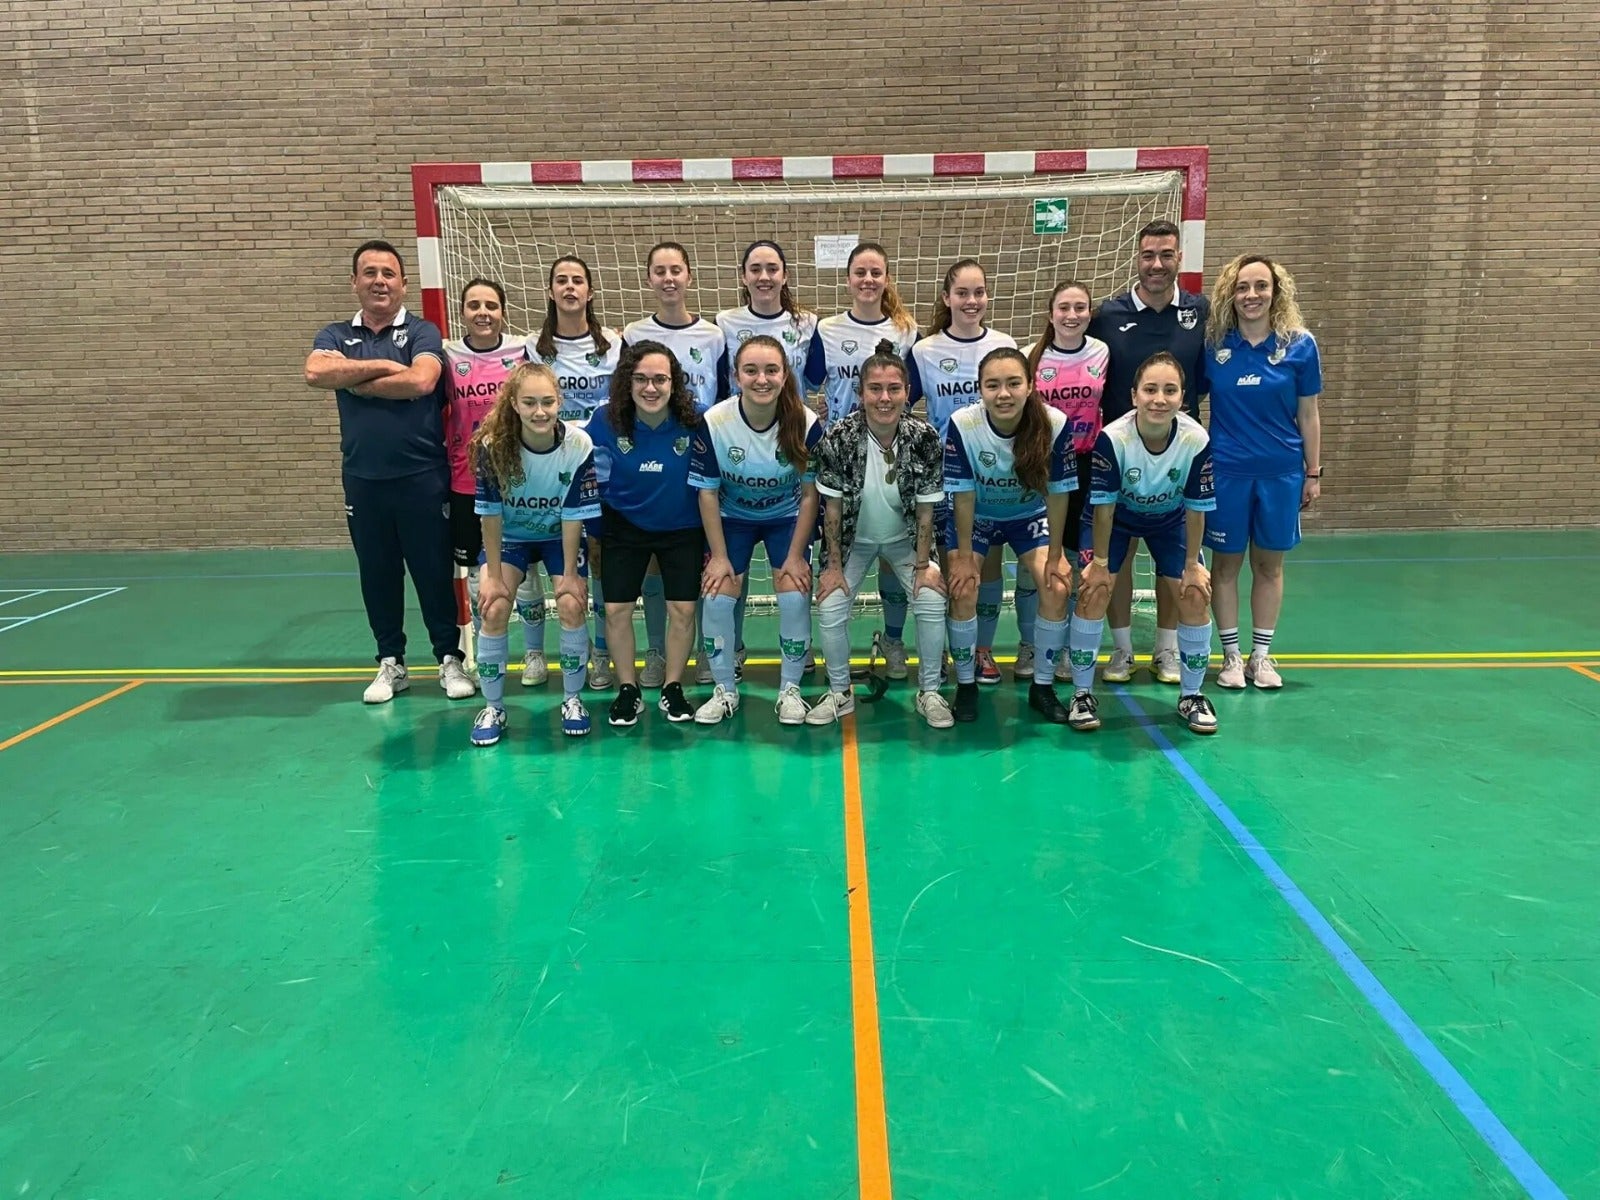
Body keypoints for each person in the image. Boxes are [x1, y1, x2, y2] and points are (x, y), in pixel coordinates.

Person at [304, 239, 475, 705]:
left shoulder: (423, 331)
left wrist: (355, 377)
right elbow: (316, 374)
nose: (379, 281)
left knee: (432, 571)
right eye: (370, 273)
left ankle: (449, 658)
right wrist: (383, 367)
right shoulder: (334, 334)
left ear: (403, 283)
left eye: (388, 273)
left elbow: (422, 380)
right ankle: (391, 662)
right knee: (377, 574)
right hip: (363, 480)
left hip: (423, 477)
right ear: (354, 282)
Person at [1065, 352, 1218, 735]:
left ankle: (1192, 695)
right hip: (1115, 519)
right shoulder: (1113, 438)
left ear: (1182, 397)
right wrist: (1100, 564)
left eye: (1170, 390)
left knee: (1194, 593)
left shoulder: (1196, 439)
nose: (1159, 399)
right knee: (1094, 590)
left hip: (1170, 519)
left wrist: (1192, 566)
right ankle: (1081, 694)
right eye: (1150, 390)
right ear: (1134, 395)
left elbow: (1197, 509)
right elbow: (1104, 509)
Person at [1088, 220, 1210, 685]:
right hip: (1119, 458)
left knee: (1173, 561)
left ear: (1180, 258)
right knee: (1114, 561)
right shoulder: (1108, 314)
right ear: (1136, 259)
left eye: (1166, 254)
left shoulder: (1200, 311)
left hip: (1174, 458)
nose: (1156, 264)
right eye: (1148, 255)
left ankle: (1167, 649)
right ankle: (1122, 650)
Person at [807, 341, 953, 729]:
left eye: (893, 389)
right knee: (831, 604)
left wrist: (923, 565)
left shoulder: (924, 438)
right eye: (875, 389)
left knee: (931, 599)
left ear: (907, 392)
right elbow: (831, 509)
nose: (884, 398)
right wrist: (832, 566)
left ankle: (930, 691)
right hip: (853, 542)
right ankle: (839, 692)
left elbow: (926, 510)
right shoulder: (838, 437)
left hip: (906, 540)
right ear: (861, 393)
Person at [1201, 254, 1323, 690]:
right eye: (1242, 287)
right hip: (1227, 473)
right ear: (1230, 295)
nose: (1251, 295)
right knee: (1225, 566)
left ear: (1276, 292)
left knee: (1269, 566)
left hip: (1281, 474)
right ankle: (1231, 656)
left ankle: (1261, 655)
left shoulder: (1300, 345)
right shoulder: (1214, 346)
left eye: (1260, 286)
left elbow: (1308, 413)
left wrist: (1313, 473)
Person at [690, 335, 822, 725]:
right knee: (717, 595)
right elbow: (707, 494)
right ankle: (723, 690)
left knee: (794, 592)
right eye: (751, 370)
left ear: (785, 375)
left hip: (786, 517)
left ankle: (790, 690)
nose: (761, 379)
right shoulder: (715, 422)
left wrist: (795, 556)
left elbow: (810, 496)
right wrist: (718, 557)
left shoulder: (806, 422)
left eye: (771, 370)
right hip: (732, 518)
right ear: (736, 376)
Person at [466, 363, 600, 745]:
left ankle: (572, 700)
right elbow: (490, 516)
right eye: (529, 403)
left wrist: (570, 577)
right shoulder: (492, 445)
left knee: (571, 603)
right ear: (514, 404)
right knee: (493, 608)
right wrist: (493, 577)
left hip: (558, 535)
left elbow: (573, 516)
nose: (540, 412)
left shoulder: (579, 445)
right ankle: (494, 707)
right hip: (511, 537)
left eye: (547, 402)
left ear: (560, 402)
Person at [944, 348, 1076, 724]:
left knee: (1056, 586)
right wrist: (965, 557)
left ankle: (1042, 686)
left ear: (1030, 386)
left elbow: (1059, 493)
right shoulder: (963, 424)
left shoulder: (1054, 423)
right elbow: (963, 495)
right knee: (963, 587)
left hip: (1027, 516)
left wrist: (1055, 555)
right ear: (980, 389)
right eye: (993, 385)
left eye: (1013, 383)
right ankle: (966, 685)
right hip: (979, 516)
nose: (1003, 394)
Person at [809, 242, 920, 680]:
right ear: (848, 279)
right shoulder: (827, 329)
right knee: (838, 543)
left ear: (887, 278)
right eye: (860, 272)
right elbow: (810, 382)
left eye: (876, 272)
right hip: (842, 459)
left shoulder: (906, 331)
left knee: (894, 552)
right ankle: (826, 651)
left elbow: (912, 392)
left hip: (893, 458)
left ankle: (893, 639)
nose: (868, 280)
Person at [908, 259, 1018, 686]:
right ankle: (942, 651)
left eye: (979, 292)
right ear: (947, 298)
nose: (972, 301)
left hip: (994, 474)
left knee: (986, 565)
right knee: (947, 564)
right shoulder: (925, 350)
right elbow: (900, 404)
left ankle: (981, 650)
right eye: (962, 293)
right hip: (943, 476)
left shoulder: (1003, 344)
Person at [584, 342, 705, 726]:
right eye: (640, 379)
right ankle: (628, 690)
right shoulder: (605, 420)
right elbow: (588, 475)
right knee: (616, 610)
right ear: (627, 382)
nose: (650, 388)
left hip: (683, 526)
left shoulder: (696, 419)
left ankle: (673, 687)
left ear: (674, 383)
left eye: (659, 379)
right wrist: (594, 531)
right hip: (624, 526)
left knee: (683, 610)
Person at [715, 240, 821, 676]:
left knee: (795, 579)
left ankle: (798, 654)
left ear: (785, 274)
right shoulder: (724, 324)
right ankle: (729, 653)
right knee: (726, 580)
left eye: (772, 268)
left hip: (787, 449)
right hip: (739, 456)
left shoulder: (808, 324)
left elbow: (819, 378)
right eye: (755, 268)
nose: (764, 276)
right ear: (743, 276)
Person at [525, 256, 624, 691]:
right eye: (561, 281)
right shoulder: (533, 349)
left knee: (598, 565)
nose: (569, 287)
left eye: (578, 280)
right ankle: (536, 652)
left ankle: (600, 653)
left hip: (601, 474)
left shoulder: (614, 344)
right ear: (550, 291)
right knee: (542, 561)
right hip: (551, 474)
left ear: (590, 291)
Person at [1018, 281, 1109, 683]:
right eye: (1064, 308)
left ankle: (1069, 648)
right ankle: (1031, 644)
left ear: (1090, 313)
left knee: (1074, 559)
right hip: (1041, 467)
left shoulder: (1102, 352)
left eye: (1080, 308)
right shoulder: (1031, 356)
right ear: (1050, 313)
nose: (1072, 315)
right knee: (1035, 561)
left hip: (1086, 467)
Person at [443, 278, 526, 684]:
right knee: (479, 576)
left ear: (503, 311)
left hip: (516, 479)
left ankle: (532, 654)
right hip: (465, 480)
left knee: (521, 567)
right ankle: (485, 659)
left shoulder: (522, 351)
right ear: (462, 312)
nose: (483, 312)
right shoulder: (447, 355)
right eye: (473, 305)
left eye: (491, 305)